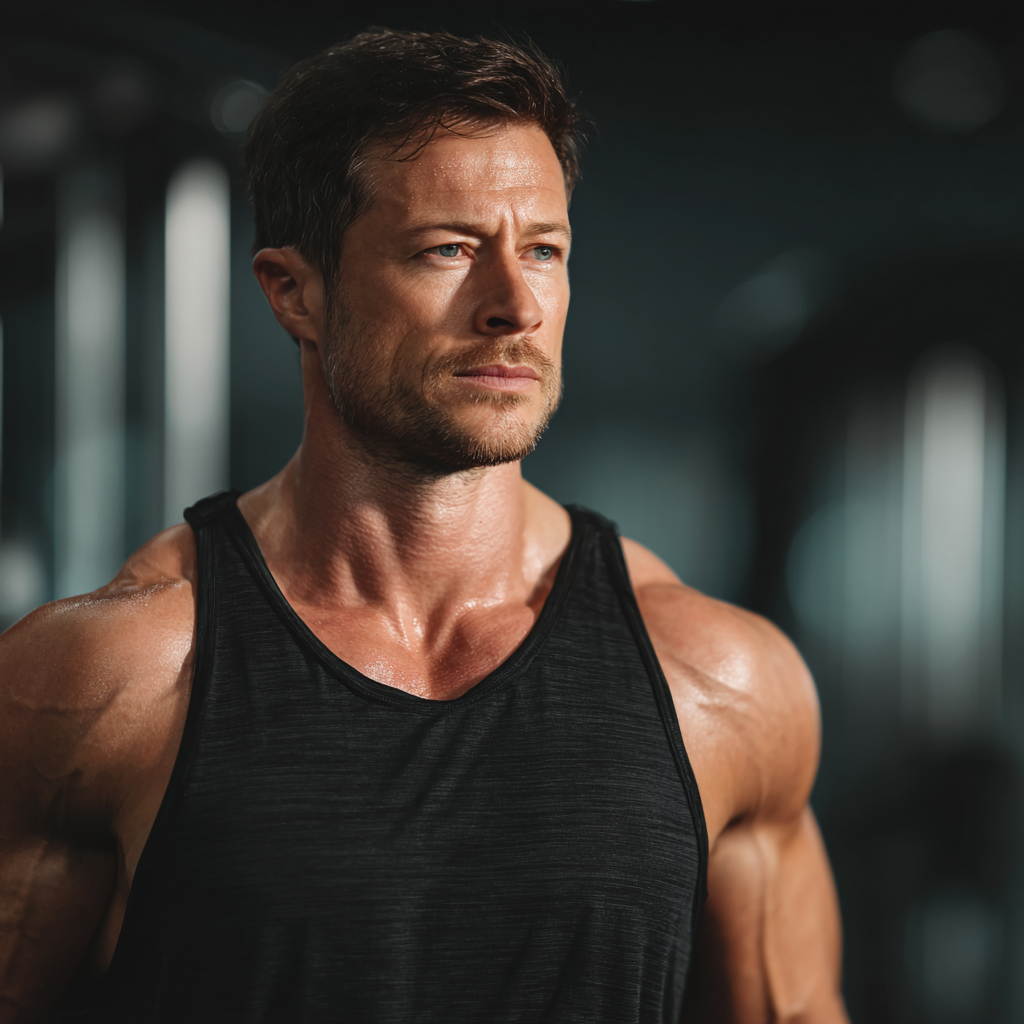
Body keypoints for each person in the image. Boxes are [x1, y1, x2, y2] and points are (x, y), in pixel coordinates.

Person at [0, 29, 847, 1024]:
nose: (514, 304)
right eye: (447, 250)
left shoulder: (719, 681)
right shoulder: (118, 678)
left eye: (542, 251)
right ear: (295, 291)